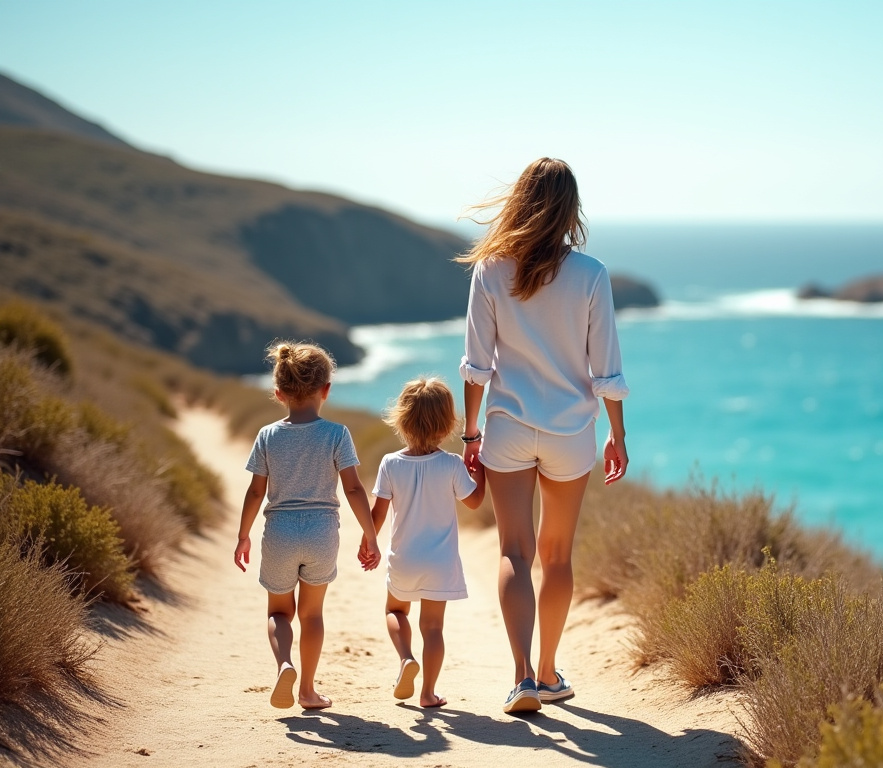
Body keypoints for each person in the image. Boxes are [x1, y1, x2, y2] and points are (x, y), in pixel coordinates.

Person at [458, 157, 630, 714]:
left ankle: (523, 677)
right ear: (570, 209)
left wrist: (469, 436)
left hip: (507, 429)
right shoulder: (591, 275)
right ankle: (552, 671)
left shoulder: (489, 271)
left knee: (514, 551)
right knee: (557, 557)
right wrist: (617, 435)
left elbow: (476, 367)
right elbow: (606, 369)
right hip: (572, 433)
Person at [233, 341, 382, 710]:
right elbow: (352, 487)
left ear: (278, 393)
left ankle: (285, 664)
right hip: (321, 532)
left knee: (278, 612)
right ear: (326, 390)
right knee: (312, 614)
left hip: (279, 532)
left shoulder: (267, 435)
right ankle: (308, 691)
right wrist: (371, 533)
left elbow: (255, 492)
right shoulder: (337, 434)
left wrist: (243, 536)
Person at [362, 377, 486, 708]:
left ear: (401, 419)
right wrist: (480, 469)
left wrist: (368, 542)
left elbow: (377, 513)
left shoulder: (391, 463)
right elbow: (474, 502)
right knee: (432, 628)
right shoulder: (451, 464)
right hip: (440, 562)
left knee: (394, 610)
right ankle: (428, 693)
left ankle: (405, 658)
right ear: (447, 424)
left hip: (404, 559)